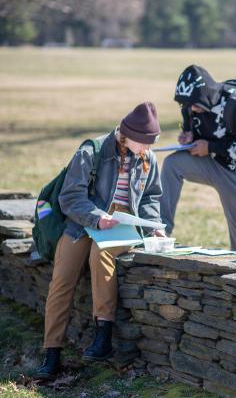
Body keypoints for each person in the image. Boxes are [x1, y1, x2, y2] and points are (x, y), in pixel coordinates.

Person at [34, 103, 165, 381]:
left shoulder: (147, 158)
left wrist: (153, 226)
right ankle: (51, 354)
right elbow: (69, 198)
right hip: (83, 223)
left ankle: (102, 335)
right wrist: (97, 218)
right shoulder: (91, 151)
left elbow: (152, 197)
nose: (147, 148)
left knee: (101, 254)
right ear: (126, 135)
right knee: (61, 280)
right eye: (143, 142)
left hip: (123, 226)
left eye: (151, 143)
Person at [160, 65, 236, 250]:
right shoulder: (191, 105)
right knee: (172, 164)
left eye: (194, 104)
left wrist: (210, 147)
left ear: (206, 95)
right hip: (208, 162)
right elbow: (193, 127)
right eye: (187, 104)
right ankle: (160, 231)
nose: (191, 109)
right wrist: (188, 136)